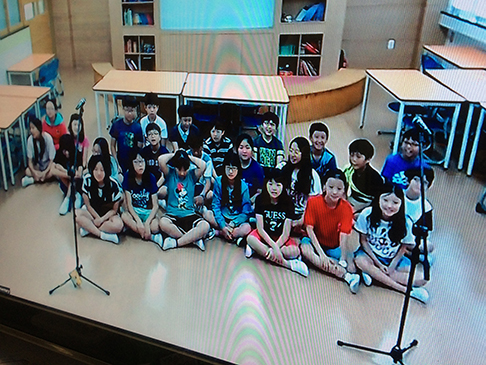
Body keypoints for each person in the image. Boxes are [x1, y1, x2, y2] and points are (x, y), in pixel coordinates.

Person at [354, 183, 429, 303]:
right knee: (359, 261)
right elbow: (363, 241)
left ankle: (373, 275)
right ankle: (406, 291)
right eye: (385, 200)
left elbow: (403, 247)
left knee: (421, 279)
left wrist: (392, 266)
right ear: (378, 198)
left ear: (401, 204)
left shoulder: (406, 223)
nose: (389, 206)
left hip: (393, 259)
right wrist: (378, 264)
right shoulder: (367, 214)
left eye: (395, 202)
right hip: (370, 256)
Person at [301, 169, 360, 292]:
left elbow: (344, 235)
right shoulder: (313, 202)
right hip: (314, 241)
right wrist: (322, 255)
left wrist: (343, 259)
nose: (334, 192)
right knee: (306, 251)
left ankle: (345, 270)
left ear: (344, 190)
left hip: (333, 245)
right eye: (331, 187)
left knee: (352, 266)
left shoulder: (347, 208)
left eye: (339, 189)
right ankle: (346, 276)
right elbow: (309, 229)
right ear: (324, 187)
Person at [246, 168, 309, 277]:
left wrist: (275, 247)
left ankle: (259, 252)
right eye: (270, 184)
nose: (274, 188)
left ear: (284, 186)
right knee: (250, 239)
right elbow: (260, 229)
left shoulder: (288, 203)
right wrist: (274, 248)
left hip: (280, 238)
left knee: (295, 251)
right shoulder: (260, 199)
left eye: (278, 185)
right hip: (264, 235)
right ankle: (288, 265)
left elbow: (286, 233)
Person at [158, 149, 209, 251]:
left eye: (185, 169)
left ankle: (177, 243)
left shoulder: (192, 175)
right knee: (162, 223)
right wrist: (177, 155)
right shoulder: (171, 173)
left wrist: (187, 157)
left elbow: (203, 165)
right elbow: (161, 160)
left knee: (205, 226)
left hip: (190, 214)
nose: (182, 173)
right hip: (172, 215)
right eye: (179, 169)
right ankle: (193, 239)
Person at [206, 151, 252, 244]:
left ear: (238, 169)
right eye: (228, 168)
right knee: (207, 214)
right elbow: (215, 206)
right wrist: (223, 225)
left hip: (236, 220)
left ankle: (219, 233)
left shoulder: (243, 187)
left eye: (234, 168)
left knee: (247, 228)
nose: (230, 172)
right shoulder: (219, 181)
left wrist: (233, 223)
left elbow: (246, 212)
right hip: (222, 217)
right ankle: (228, 234)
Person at [77, 155, 124, 244]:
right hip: (93, 213)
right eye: (95, 169)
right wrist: (97, 218)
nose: (99, 173)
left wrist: (101, 220)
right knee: (77, 215)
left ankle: (89, 229)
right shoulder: (87, 180)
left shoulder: (113, 184)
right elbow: (88, 205)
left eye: (102, 170)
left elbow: (114, 210)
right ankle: (103, 235)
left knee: (119, 225)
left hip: (108, 215)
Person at [121, 151, 163, 247]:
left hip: (147, 212)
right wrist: (139, 222)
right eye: (136, 162)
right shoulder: (128, 177)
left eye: (142, 161)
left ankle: (136, 231)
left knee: (156, 226)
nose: (140, 165)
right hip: (134, 212)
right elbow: (129, 205)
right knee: (124, 216)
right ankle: (149, 236)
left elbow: (155, 205)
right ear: (131, 163)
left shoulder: (151, 177)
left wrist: (147, 223)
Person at [280, 137, 322, 230]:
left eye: (297, 152)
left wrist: (301, 220)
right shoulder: (282, 168)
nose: (292, 155)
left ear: (304, 154)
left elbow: (314, 203)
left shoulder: (312, 175)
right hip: (284, 212)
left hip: (302, 215)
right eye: (291, 150)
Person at [343, 138, 384, 213]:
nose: (354, 159)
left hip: (367, 207)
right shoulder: (348, 170)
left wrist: (360, 211)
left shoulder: (375, 178)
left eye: (358, 157)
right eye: (352, 155)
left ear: (368, 159)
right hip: (351, 202)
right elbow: (343, 190)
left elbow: (377, 201)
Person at [404, 167, 435, 258]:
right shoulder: (397, 196)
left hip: (410, 240)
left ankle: (406, 251)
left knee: (428, 247)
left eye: (424, 183)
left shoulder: (426, 207)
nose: (419, 185)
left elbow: (425, 234)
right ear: (408, 180)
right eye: (416, 180)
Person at [51, 134, 84, 215]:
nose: (65, 153)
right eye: (64, 150)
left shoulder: (77, 153)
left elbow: (79, 173)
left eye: (67, 150)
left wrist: (71, 174)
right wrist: (67, 173)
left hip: (77, 184)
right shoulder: (59, 153)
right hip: (65, 183)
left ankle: (68, 198)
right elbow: (53, 170)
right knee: (59, 169)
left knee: (74, 178)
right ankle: (74, 195)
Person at [109, 96, 143, 173]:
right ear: (123, 109)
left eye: (132, 110)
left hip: (133, 162)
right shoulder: (116, 125)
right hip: (120, 160)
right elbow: (112, 146)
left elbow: (139, 148)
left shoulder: (138, 127)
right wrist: (116, 164)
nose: (130, 113)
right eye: (127, 110)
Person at [21, 118, 56, 187]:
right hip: (38, 166)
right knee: (27, 171)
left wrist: (45, 172)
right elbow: (30, 161)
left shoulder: (48, 138)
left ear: (39, 128)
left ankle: (33, 180)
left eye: (33, 128)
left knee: (53, 169)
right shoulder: (30, 140)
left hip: (47, 165)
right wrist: (34, 173)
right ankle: (40, 178)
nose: (31, 131)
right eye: (30, 128)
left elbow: (51, 160)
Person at [235, 133, 264, 207]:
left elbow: (260, 191)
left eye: (247, 148)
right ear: (236, 150)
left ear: (252, 149)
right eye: (241, 148)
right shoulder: (233, 165)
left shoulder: (257, 168)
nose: (244, 151)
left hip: (250, 203)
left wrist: (249, 201)